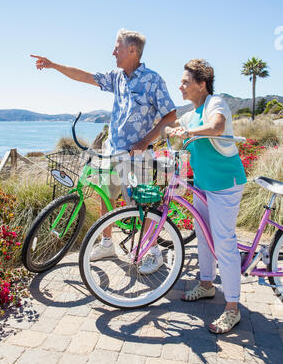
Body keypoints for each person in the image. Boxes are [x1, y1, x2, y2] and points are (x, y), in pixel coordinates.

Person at [31, 29, 176, 274]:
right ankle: (107, 243)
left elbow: (171, 115)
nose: (112, 52)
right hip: (112, 151)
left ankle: (153, 252)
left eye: (116, 47)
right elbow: (85, 76)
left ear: (132, 50)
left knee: (142, 203)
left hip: (137, 156)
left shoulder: (153, 80)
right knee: (105, 197)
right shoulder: (116, 77)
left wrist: (145, 141)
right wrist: (54, 65)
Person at [163, 58, 247, 334]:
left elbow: (217, 127)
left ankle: (232, 308)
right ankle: (207, 285)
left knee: (224, 241)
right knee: (202, 235)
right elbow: (170, 125)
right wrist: (167, 131)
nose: (181, 85)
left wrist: (186, 131)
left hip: (224, 183)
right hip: (202, 184)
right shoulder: (192, 112)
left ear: (202, 84)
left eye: (186, 81)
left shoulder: (215, 103)